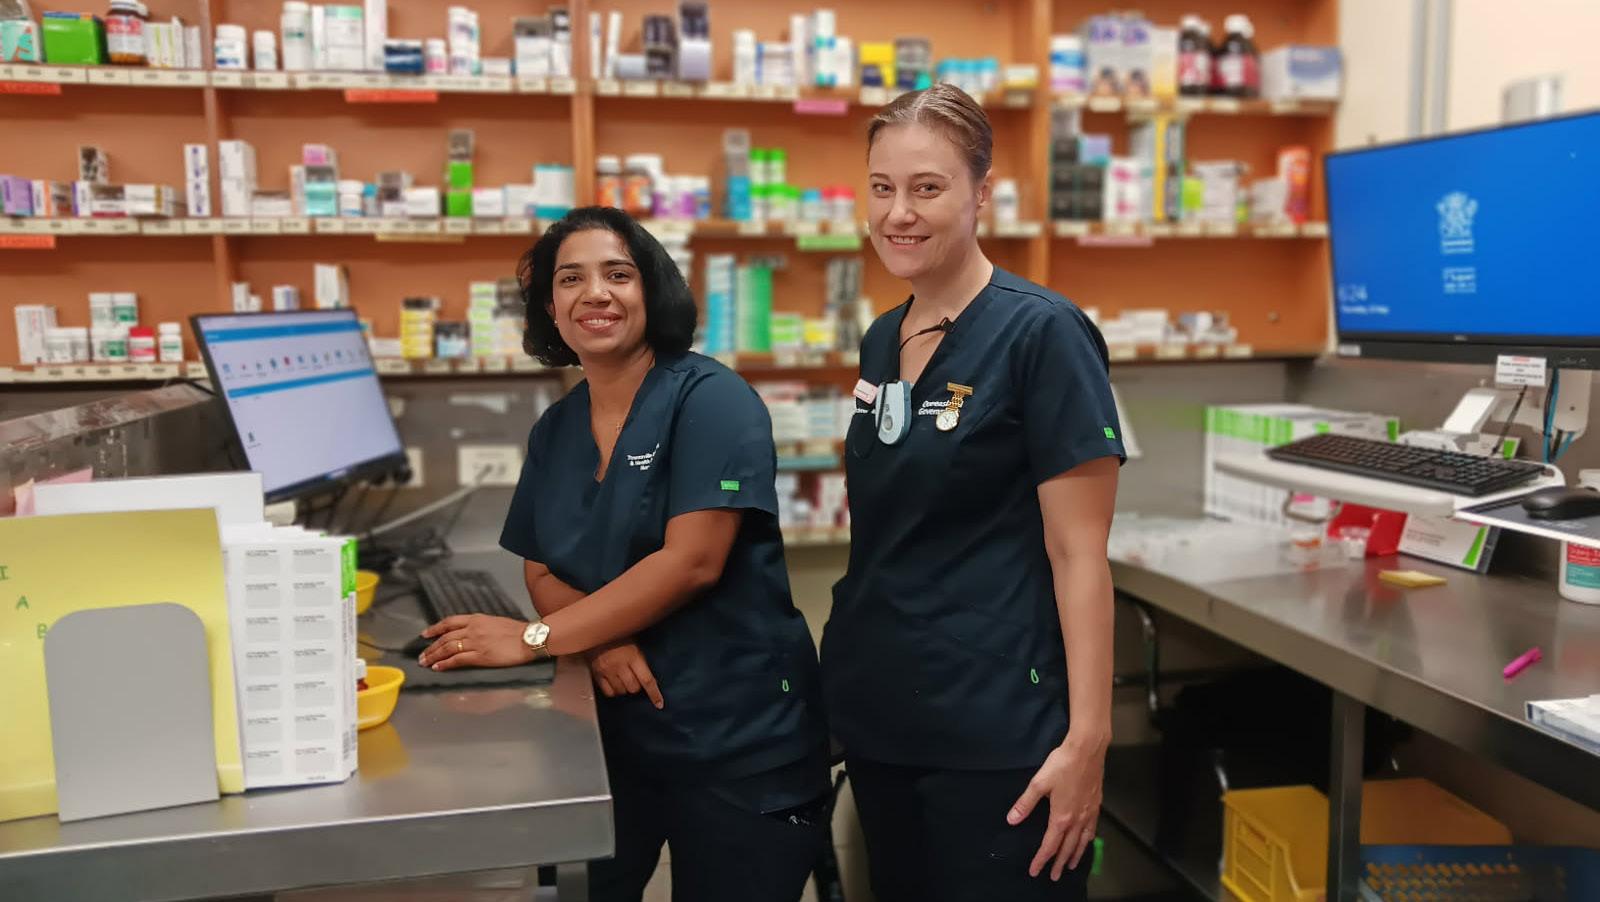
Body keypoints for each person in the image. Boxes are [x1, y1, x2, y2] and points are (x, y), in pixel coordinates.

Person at [415, 206, 830, 902]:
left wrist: (539, 637)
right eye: (570, 279)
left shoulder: (713, 401)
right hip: (612, 739)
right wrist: (599, 640)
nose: (595, 294)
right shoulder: (557, 428)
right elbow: (542, 565)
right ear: (550, 307)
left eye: (617, 274)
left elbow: (692, 562)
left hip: (737, 741)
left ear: (651, 290)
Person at [822, 84, 1125, 902]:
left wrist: (1088, 742)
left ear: (982, 194)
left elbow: (1079, 553)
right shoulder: (884, 337)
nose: (899, 213)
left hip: (1000, 739)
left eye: (927, 188)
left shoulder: (1043, 333)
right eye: (882, 188)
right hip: (886, 724)